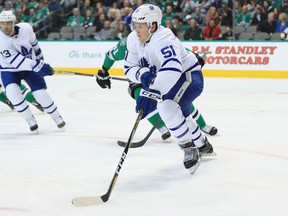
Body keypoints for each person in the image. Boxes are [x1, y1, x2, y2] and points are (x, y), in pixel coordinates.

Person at [124, 4, 215, 174]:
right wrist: (142, 74)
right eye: (135, 25)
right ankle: (203, 145)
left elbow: (172, 68)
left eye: (140, 26)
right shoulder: (132, 39)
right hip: (169, 80)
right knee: (180, 115)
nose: (136, 30)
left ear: (153, 25)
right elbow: (129, 67)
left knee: (167, 107)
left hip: (188, 76)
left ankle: (189, 148)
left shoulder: (163, 38)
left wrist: (152, 92)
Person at [96, 37, 218, 141]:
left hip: (159, 74)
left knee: (177, 99)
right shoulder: (127, 43)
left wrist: (194, 56)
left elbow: (177, 51)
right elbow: (110, 55)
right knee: (141, 98)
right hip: (139, 78)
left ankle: (202, 125)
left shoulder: (158, 38)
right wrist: (103, 71)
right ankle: (161, 127)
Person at [0, 10, 65, 132]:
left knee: (41, 95)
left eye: (8, 22)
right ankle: (30, 120)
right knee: (12, 93)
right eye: (2, 23)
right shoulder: (1, 40)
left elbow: (35, 45)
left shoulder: (26, 28)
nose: (5, 26)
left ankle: (56, 117)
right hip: (10, 70)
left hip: (30, 67)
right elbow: (16, 61)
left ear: (14, 22)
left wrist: (41, 61)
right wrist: (38, 65)